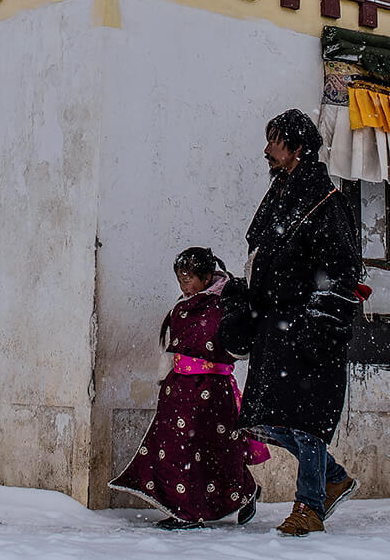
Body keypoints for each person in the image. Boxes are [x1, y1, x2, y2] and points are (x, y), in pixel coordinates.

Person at [237, 107, 364, 536]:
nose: (267, 150)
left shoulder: (326, 201)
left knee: (306, 421)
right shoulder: (278, 197)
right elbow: (260, 258)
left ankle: (309, 506)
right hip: (276, 329)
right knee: (267, 418)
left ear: (298, 148)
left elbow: (341, 271)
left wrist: (320, 327)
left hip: (310, 330)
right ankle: (331, 477)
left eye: (276, 141)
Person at [110, 247, 265, 530]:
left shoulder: (226, 304)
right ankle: (183, 508)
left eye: (189, 278)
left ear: (207, 277)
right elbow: (174, 346)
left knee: (215, 452)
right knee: (173, 449)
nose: (184, 285)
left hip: (212, 392)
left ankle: (239, 493)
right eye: (180, 279)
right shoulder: (181, 308)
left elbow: (236, 345)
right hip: (178, 391)